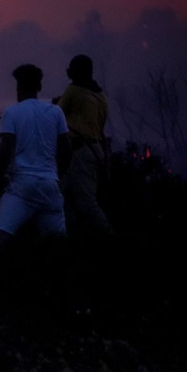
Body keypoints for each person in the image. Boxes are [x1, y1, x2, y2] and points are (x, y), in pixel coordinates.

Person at [0, 64, 71, 287]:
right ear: (39, 86)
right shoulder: (56, 112)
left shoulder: (12, 112)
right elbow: (66, 150)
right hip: (50, 185)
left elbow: (5, 151)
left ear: (18, 87)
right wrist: (57, 176)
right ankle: (63, 287)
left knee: (2, 234)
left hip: (21, 187)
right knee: (57, 242)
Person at [56, 54, 113, 237]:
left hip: (79, 152)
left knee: (85, 202)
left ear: (78, 72)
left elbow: (57, 114)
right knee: (61, 196)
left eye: (72, 69)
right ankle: (70, 233)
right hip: (94, 150)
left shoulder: (73, 91)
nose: (68, 72)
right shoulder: (101, 95)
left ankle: (109, 236)